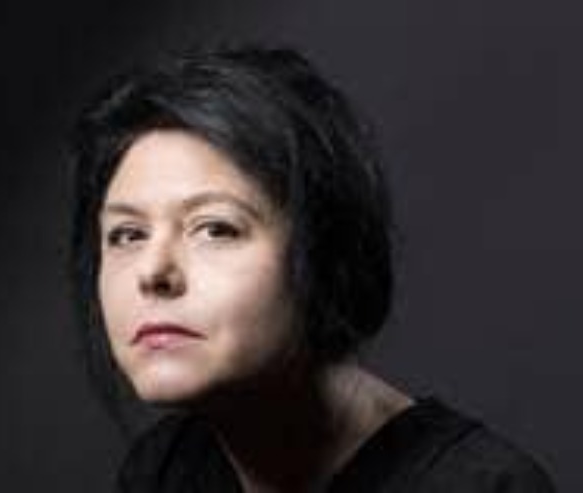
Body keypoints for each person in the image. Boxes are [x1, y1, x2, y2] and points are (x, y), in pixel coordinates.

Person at [67, 46, 555, 492]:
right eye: (127, 234)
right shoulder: (165, 469)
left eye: (216, 229)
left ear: (325, 253)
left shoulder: (481, 486)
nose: (152, 272)